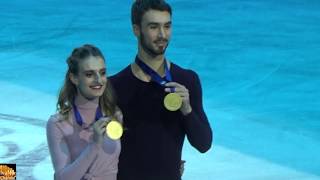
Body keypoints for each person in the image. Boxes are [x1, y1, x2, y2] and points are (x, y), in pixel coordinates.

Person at [109, 0, 213, 179]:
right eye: (153, 27)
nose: (162, 34)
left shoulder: (187, 80)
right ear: (136, 30)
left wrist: (186, 109)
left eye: (167, 26)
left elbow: (203, 144)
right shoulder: (115, 86)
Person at [46, 44, 123, 180]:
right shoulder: (58, 124)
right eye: (89, 74)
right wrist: (94, 145)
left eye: (103, 72)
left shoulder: (114, 115)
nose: (99, 80)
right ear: (74, 78)